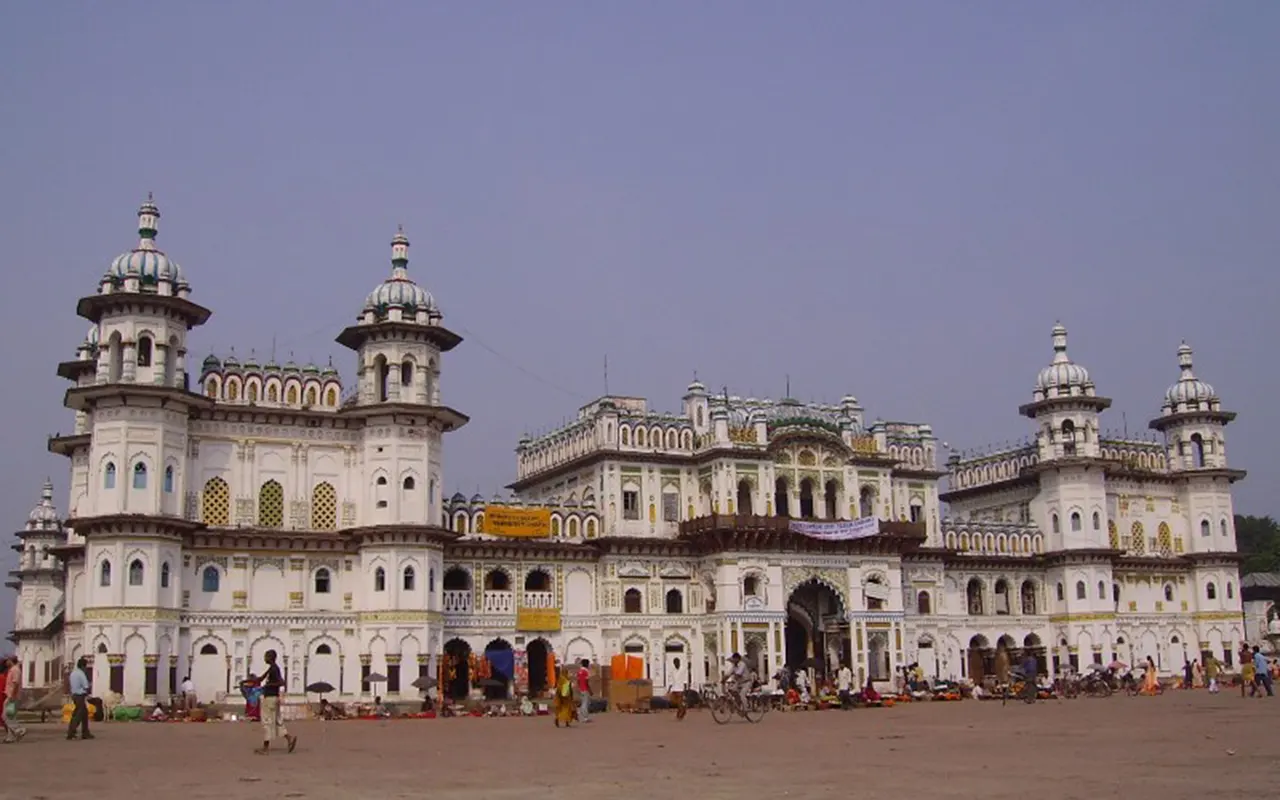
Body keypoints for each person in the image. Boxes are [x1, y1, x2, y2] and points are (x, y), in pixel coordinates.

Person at [248, 650, 296, 755]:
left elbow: (281, 683)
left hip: (270, 698)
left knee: (267, 722)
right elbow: (262, 677)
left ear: (270, 657)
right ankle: (289, 738)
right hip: (273, 698)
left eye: (266, 656)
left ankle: (265, 748)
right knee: (277, 721)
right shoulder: (272, 668)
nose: (264, 658)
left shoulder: (274, 669)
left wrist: (267, 686)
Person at [66, 657, 93, 741]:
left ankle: (85, 732)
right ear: (83, 666)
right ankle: (71, 733)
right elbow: (86, 686)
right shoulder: (81, 674)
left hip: (74, 695)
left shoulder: (73, 673)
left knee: (84, 714)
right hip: (80, 695)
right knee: (78, 715)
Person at [576, 659, 592, 723]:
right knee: (586, 703)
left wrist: (579, 688)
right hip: (585, 689)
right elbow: (586, 682)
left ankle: (581, 715)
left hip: (581, 689)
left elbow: (578, 681)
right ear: (587, 664)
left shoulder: (579, 671)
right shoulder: (586, 671)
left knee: (583, 702)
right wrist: (590, 690)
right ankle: (585, 718)